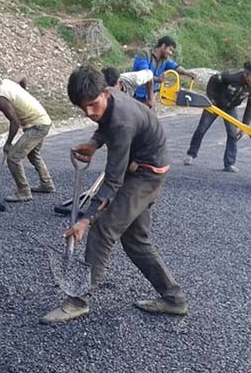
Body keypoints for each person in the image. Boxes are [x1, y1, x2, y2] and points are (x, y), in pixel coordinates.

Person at [42, 66, 186, 324]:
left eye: (93, 105)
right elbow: (103, 121)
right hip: (143, 165)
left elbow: (113, 181)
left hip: (146, 173)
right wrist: (95, 143)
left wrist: (86, 220)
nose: (89, 113)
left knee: (103, 230)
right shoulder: (109, 97)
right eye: (82, 107)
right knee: (135, 240)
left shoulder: (122, 122)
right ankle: (174, 299)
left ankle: (78, 300)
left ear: (104, 93)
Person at [0, 72, 55, 201]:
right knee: (33, 154)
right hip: (43, 120)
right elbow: (22, 76)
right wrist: (24, 93)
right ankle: (47, 184)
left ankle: (24, 191)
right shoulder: (6, 82)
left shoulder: (0, 99)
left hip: (37, 125)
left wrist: (8, 143)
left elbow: (15, 122)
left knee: (13, 158)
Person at [183, 61, 251, 172]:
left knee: (232, 135)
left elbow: (250, 107)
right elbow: (213, 79)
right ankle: (191, 154)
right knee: (202, 129)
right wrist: (211, 98)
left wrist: (244, 126)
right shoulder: (232, 76)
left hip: (230, 108)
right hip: (215, 104)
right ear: (246, 74)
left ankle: (229, 164)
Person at [130, 36, 197, 108]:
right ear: (163, 46)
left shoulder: (165, 60)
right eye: (170, 50)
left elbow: (175, 67)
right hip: (136, 94)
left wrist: (186, 73)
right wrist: (158, 79)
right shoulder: (144, 54)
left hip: (151, 96)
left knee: (149, 118)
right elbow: (146, 75)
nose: (171, 53)